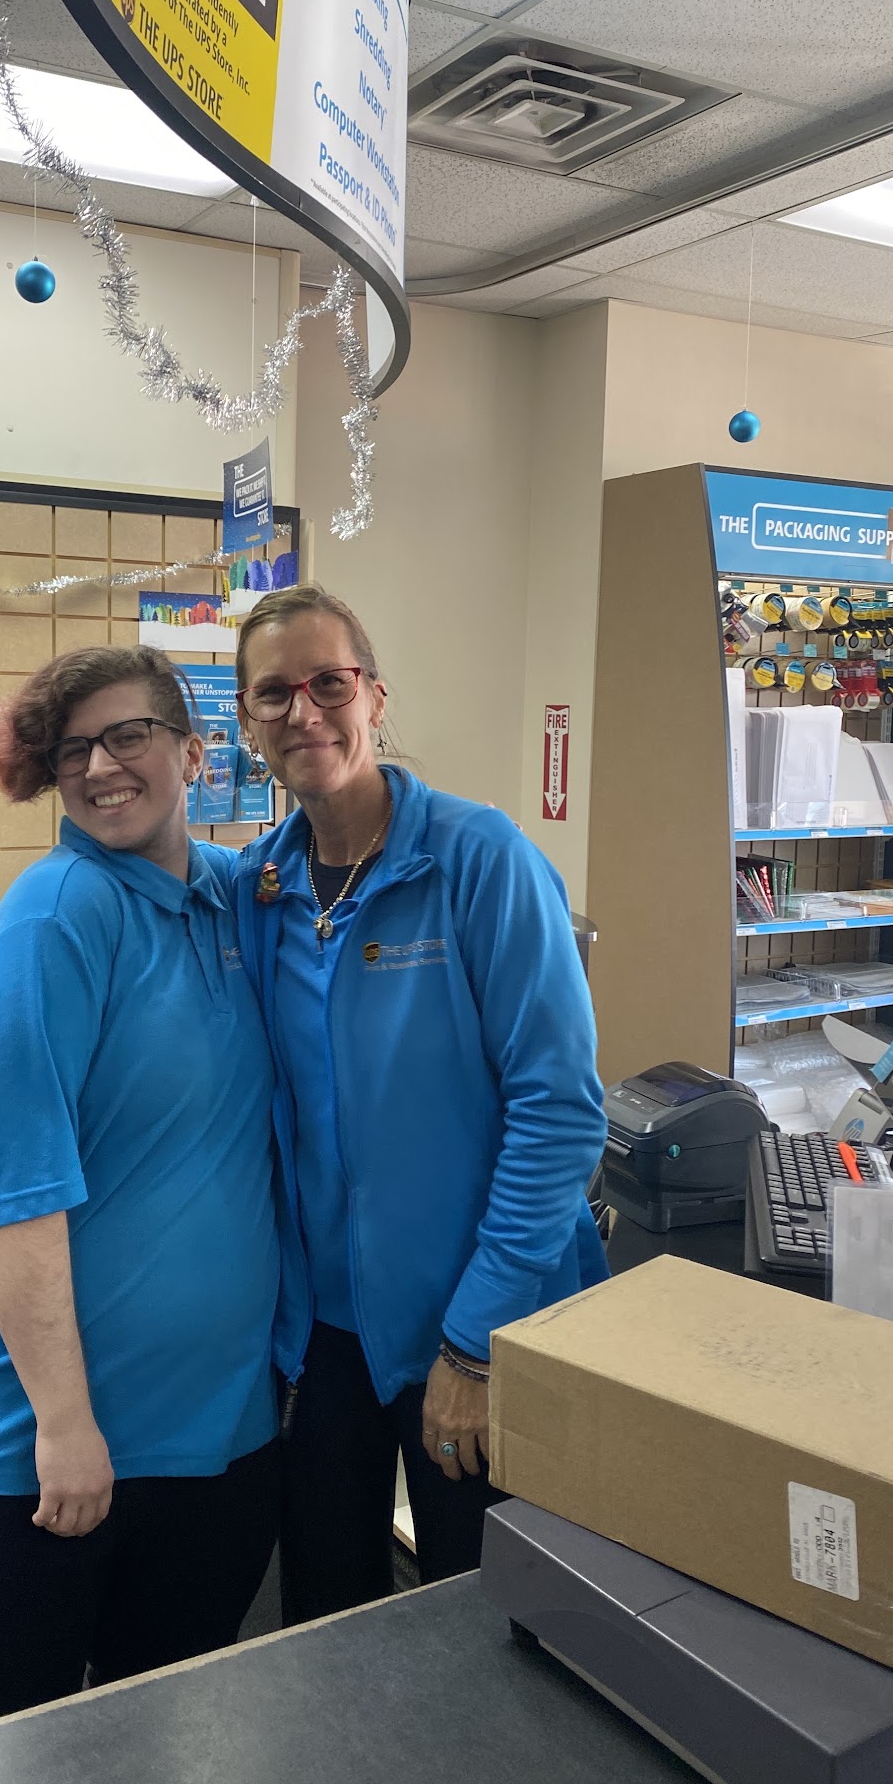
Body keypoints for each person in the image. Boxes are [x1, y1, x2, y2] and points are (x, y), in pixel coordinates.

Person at [0, 644, 281, 1742]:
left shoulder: (230, 900)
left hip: (206, 1438)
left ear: (193, 753)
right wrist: (64, 1424)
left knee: (155, 1761)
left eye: (128, 735)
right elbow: (9, 1195)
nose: (101, 767)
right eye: (73, 751)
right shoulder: (55, 916)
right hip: (30, 1450)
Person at [232, 586, 609, 1624]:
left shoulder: (479, 860)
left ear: (375, 696)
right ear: (247, 719)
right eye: (274, 692)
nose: (305, 711)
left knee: (483, 1630)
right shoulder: (260, 887)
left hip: (485, 1317)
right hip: (326, 1341)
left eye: (330, 682)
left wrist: (476, 1340)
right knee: (329, 1624)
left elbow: (559, 1111)